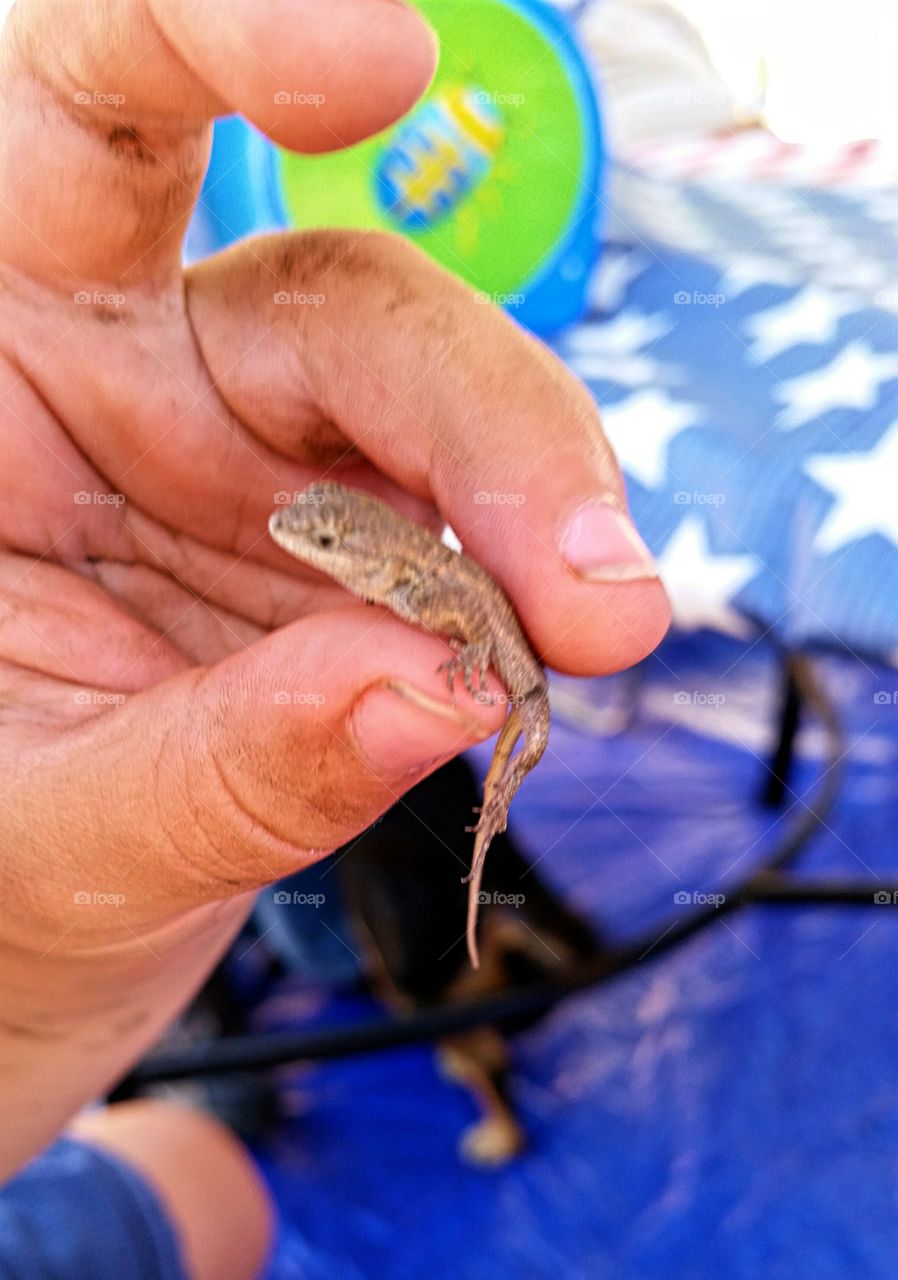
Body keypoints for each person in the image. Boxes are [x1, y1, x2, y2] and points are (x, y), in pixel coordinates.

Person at [0, 0, 670, 1274]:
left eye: (315, 535)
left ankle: (472, 949)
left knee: (432, 846)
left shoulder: (392, 574)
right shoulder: (361, 564)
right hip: (129, 1098)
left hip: (484, 661)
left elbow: (451, 605)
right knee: (414, 859)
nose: (299, 539)